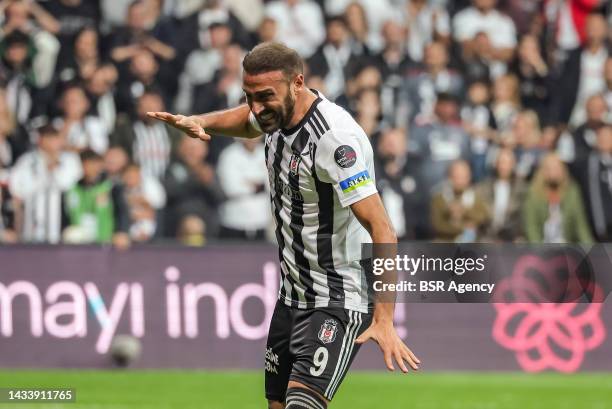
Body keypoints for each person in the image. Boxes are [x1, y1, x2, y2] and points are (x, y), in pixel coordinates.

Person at [147, 42, 419, 409]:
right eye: (249, 96)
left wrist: (386, 318)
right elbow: (247, 121)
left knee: (301, 405)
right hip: (292, 298)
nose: (257, 107)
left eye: (264, 96)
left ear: (298, 83)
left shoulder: (335, 140)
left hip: (337, 298)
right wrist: (202, 121)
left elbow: (383, 229)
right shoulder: (277, 115)